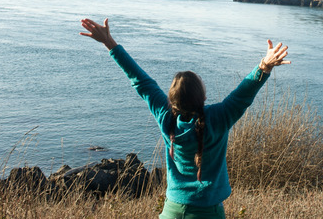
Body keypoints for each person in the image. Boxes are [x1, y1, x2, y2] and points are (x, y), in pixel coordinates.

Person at [80, 18, 290, 219]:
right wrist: (264, 65)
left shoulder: (165, 117)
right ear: (203, 98)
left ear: (171, 101)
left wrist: (109, 42)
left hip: (172, 210)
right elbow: (244, 93)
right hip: (208, 212)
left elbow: (140, 80)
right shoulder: (219, 117)